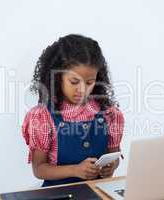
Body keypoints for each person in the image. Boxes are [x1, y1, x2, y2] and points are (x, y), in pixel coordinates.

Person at [22, 34, 124, 187]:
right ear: (57, 77)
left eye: (89, 82)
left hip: (98, 191)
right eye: (74, 81)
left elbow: (113, 155)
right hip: (58, 193)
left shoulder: (109, 114)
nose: (82, 89)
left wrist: (111, 167)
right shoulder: (43, 116)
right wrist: (75, 170)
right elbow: (39, 169)